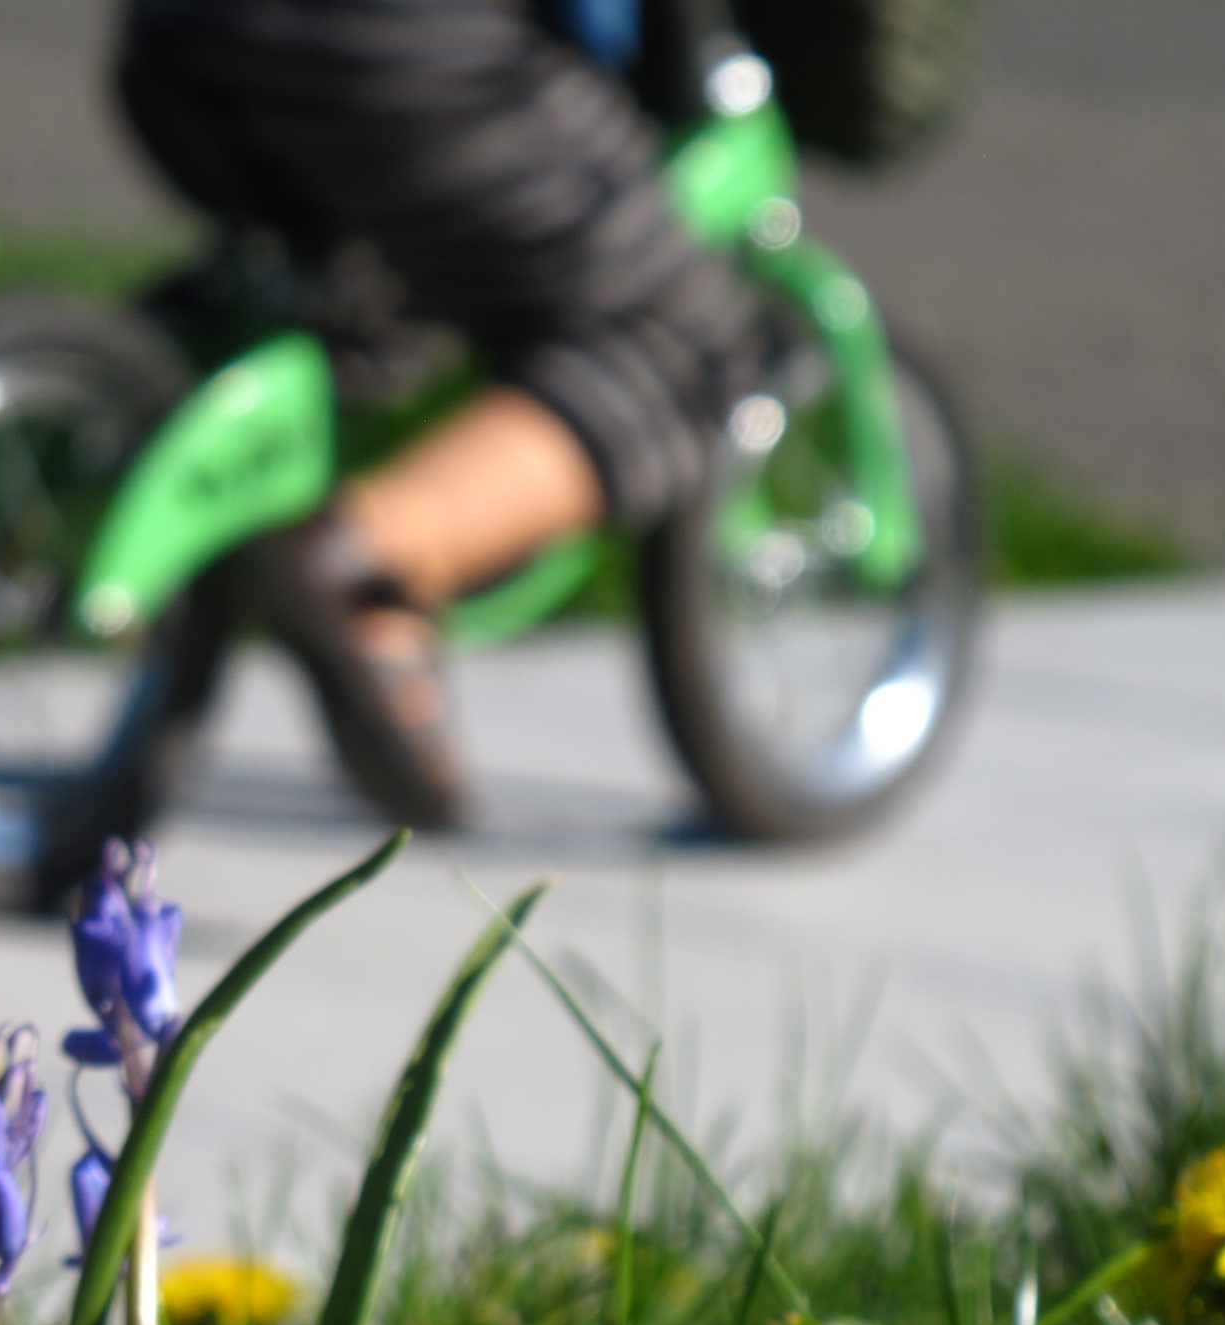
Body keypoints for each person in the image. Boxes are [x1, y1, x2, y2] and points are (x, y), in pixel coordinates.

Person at [116, 0, 767, 828]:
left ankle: (65, 443)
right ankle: (366, 563)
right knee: (686, 339)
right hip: (406, 41)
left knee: (359, 279)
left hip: (183, 40)